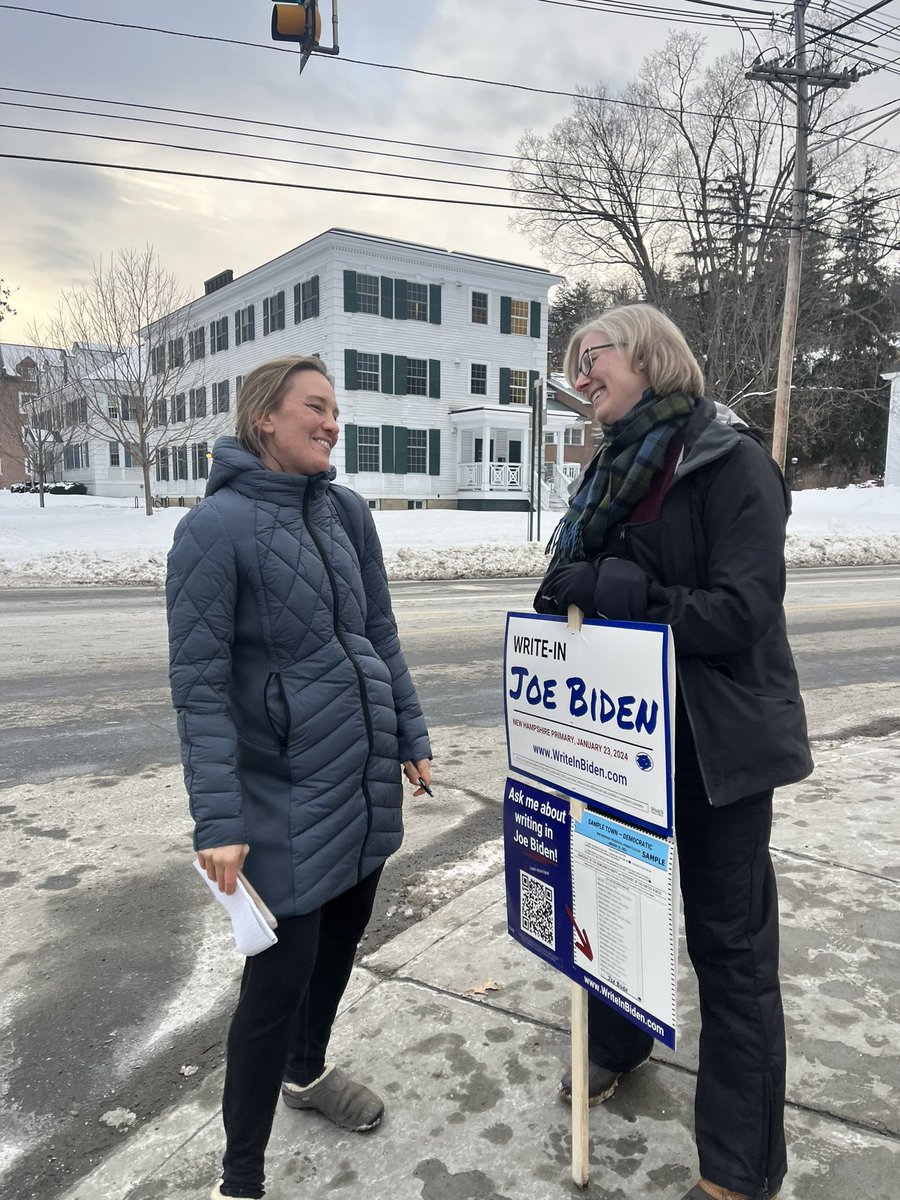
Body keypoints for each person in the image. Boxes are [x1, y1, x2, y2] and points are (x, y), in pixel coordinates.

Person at [535, 304, 813, 1200]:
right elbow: (576, 585)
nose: (580, 376)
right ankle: (619, 1041)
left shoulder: (732, 464)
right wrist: (570, 588)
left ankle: (739, 1167)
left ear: (650, 355)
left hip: (717, 745)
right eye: (573, 366)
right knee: (612, 905)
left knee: (729, 950)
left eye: (592, 356)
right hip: (624, 739)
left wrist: (626, 593)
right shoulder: (613, 467)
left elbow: (742, 612)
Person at [166, 355, 433, 1200]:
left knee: (342, 942)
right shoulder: (213, 530)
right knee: (276, 984)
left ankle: (306, 1073)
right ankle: (239, 1176)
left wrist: (410, 733)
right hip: (280, 795)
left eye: (334, 410)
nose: (331, 423)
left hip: (360, 778)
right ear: (265, 419)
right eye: (315, 407)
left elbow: (378, 634)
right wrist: (218, 821)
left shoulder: (346, 512)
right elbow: (200, 690)